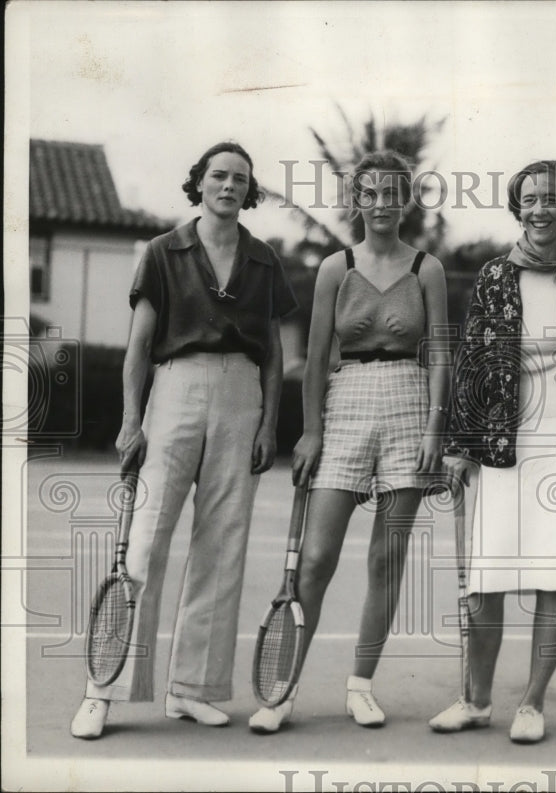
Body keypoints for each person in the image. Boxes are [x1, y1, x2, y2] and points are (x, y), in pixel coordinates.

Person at [70, 141, 297, 739]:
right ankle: (104, 690)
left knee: (222, 549)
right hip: (175, 392)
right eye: (218, 176)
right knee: (144, 543)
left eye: (240, 179)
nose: (229, 186)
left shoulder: (264, 260)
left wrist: (269, 423)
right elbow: (140, 346)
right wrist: (130, 418)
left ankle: (192, 690)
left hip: (241, 399)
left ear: (251, 191)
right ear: (199, 184)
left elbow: (274, 355)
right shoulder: (163, 251)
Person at [428, 160, 556, 744]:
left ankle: (532, 704)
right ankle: (475, 699)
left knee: (555, 575)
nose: (540, 208)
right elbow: (473, 360)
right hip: (501, 435)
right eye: (530, 199)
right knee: (484, 578)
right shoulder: (494, 274)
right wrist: (461, 448)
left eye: (551, 199)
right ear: (518, 209)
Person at [248, 150, 449, 733]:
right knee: (315, 559)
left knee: (387, 559)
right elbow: (313, 361)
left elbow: (439, 354)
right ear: (356, 200)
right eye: (371, 193)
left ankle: (360, 685)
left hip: (411, 405)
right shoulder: (335, 267)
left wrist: (436, 428)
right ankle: (281, 690)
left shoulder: (427, 269)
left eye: (393, 193)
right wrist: (311, 430)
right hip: (347, 403)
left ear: (406, 201)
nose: (382, 204)